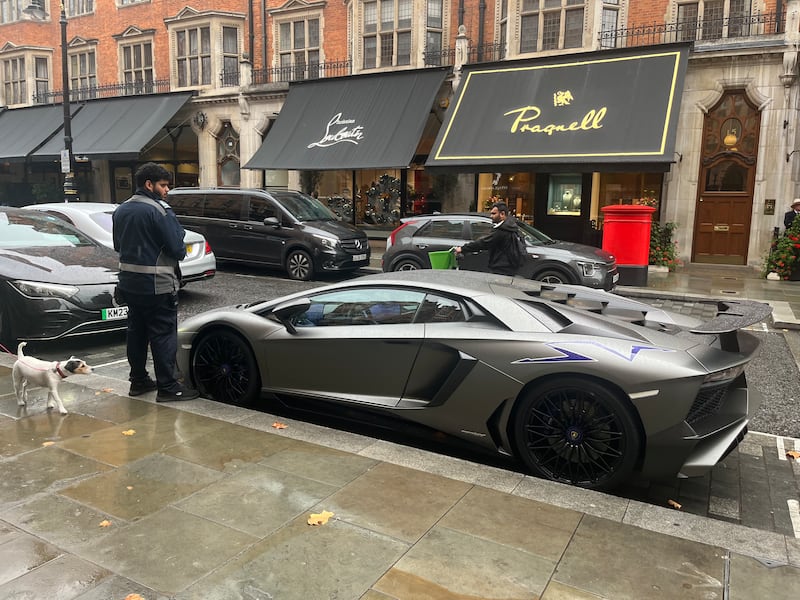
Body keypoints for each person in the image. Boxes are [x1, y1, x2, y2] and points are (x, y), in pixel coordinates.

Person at [112, 162, 199, 402]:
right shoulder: (160, 210)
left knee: (136, 333)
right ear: (149, 184)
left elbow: (119, 245)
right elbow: (178, 249)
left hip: (129, 284)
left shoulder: (121, 210)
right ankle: (168, 387)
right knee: (162, 334)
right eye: (163, 185)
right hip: (157, 285)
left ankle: (138, 381)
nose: (167, 190)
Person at [455, 201, 522, 276]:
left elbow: (484, 243)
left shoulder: (502, 230)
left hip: (501, 268)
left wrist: (463, 248)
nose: (491, 216)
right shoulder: (512, 227)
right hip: (509, 266)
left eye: (494, 214)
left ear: (502, 214)